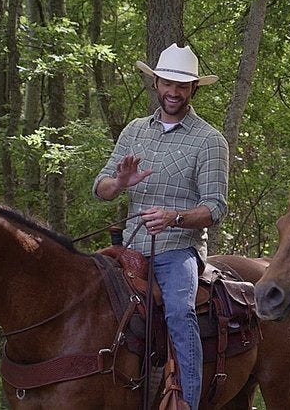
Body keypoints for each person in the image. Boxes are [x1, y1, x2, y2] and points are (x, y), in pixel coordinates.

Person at [92, 44, 229, 410]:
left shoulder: (209, 140)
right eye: (167, 83)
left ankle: (187, 399)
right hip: (129, 249)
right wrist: (121, 183)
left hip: (178, 250)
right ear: (156, 82)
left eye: (182, 86)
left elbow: (215, 208)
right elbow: (101, 188)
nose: (173, 92)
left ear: (194, 89)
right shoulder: (135, 131)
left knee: (179, 310)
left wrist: (175, 218)